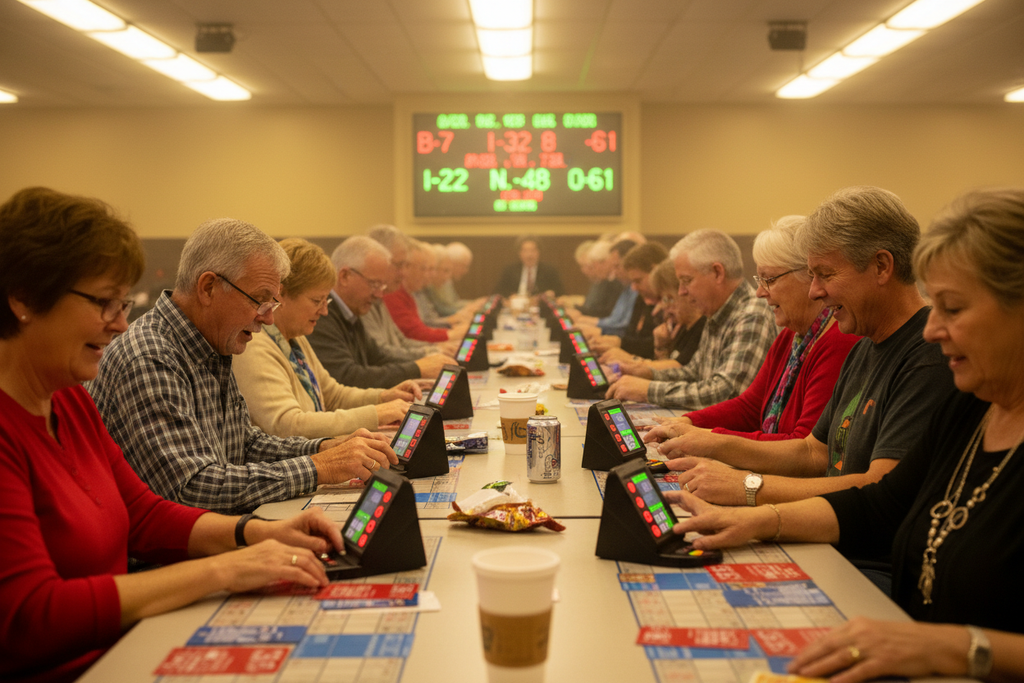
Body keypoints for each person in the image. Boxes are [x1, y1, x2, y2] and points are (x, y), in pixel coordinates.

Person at [667, 188, 1024, 683]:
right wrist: (751, 518)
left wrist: (957, 647)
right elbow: (878, 501)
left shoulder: (936, 372)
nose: (932, 329)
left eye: (953, 309)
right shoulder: (970, 407)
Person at [0, 187, 347, 682]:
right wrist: (225, 568)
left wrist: (257, 534)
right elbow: (31, 617)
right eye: (104, 303)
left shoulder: (69, 399)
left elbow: (142, 514)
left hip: (121, 648)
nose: (121, 324)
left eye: (123, 303)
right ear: (23, 299)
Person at [88, 218, 397, 514]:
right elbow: (191, 488)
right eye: (259, 300)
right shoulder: (151, 356)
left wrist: (324, 448)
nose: (269, 318)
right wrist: (318, 467)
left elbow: (242, 443)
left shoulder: (211, 341)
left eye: (272, 303)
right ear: (208, 287)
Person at [643, 216, 860, 447]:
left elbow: (804, 447)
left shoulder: (837, 339)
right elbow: (750, 406)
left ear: (809, 278)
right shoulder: (792, 335)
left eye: (769, 280)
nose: (759, 292)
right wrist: (688, 422)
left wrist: (709, 439)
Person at [233, 238, 422, 438]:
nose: (324, 311)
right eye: (317, 301)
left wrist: (384, 397)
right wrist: (376, 414)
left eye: (326, 301)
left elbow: (333, 395)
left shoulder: (294, 336)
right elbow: (287, 425)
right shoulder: (255, 345)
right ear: (281, 295)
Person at [606, 229, 776, 410]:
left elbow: (727, 393)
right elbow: (694, 372)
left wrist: (649, 390)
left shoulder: (751, 315)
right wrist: (646, 373)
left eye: (686, 280)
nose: (681, 292)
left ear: (717, 273)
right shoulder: (717, 311)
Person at [307, 235, 457, 389]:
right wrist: (417, 369)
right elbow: (347, 377)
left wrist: (424, 363)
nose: (379, 295)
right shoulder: (321, 315)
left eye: (382, 286)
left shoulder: (351, 311)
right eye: (374, 284)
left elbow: (378, 356)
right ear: (345, 276)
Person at [363, 224, 454, 360]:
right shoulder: (372, 296)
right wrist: (430, 353)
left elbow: (400, 340)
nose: (404, 273)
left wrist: (434, 350)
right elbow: (380, 353)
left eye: (406, 265)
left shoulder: (382, 294)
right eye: (400, 265)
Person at [603, 257, 704, 368]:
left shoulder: (702, 327)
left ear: (687, 293)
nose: (664, 306)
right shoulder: (682, 326)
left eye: (670, 299)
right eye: (663, 299)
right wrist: (661, 348)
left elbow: (680, 369)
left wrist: (631, 361)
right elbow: (668, 373)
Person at [384, 239, 467, 343]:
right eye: (424, 269)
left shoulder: (409, 292)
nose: (429, 275)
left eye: (431, 269)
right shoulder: (393, 292)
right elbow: (413, 333)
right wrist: (449, 336)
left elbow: (416, 330)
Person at [494, 235, 564, 297]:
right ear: (519, 253)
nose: (529, 255)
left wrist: (551, 294)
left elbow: (561, 293)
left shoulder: (549, 271)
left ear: (539, 252)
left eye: (532, 250)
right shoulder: (509, 271)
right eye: (525, 251)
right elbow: (498, 293)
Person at [574, 239, 623, 318]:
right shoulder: (603, 281)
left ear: (608, 261)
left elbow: (606, 314)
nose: (596, 269)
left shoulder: (618, 282)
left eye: (597, 264)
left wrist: (576, 310)